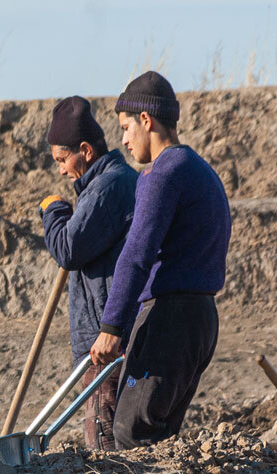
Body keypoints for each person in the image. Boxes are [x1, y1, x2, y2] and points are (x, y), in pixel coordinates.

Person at [89, 71, 230, 449]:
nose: (123, 140)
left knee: (131, 432)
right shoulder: (200, 170)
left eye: (125, 127)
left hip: (171, 319)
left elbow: (137, 254)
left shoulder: (162, 174)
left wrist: (112, 326)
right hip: (201, 318)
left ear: (146, 120)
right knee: (159, 438)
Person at [38, 97, 138, 450]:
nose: (62, 171)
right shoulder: (105, 184)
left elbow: (68, 250)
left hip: (105, 342)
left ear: (85, 150)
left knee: (103, 442)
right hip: (101, 336)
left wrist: (54, 212)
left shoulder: (107, 187)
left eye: (63, 160)